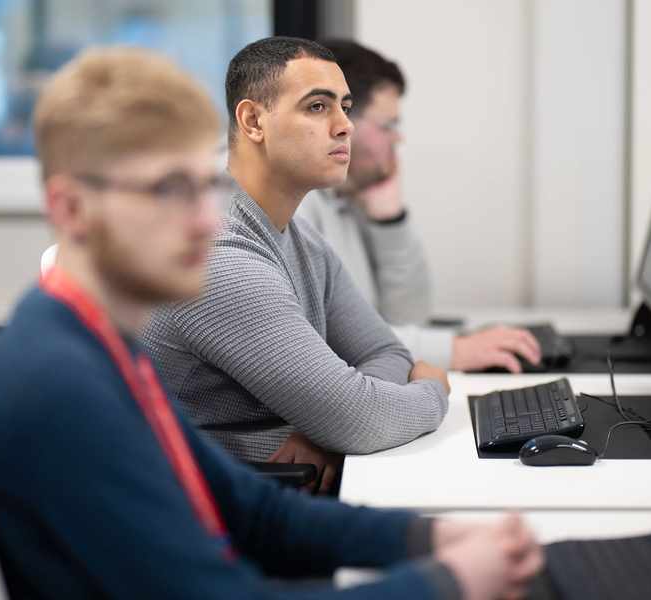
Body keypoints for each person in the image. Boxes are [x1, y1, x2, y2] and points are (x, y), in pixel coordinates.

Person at [0, 46, 543, 599]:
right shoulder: (58, 383)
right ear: (69, 210)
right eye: (168, 190)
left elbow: (254, 511)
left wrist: (430, 539)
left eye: (203, 187)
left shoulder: (104, 344)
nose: (202, 221)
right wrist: (453, 581)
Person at [143, 37, 450, 490]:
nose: (345, 126)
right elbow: (363, 418)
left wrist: (327, 426)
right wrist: (433, 390)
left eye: (345, 107)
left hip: (277, 493)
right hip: (214, 516)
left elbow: (384, 352)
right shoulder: (218, 259)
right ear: (252, 121)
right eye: (318, 107)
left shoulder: (297, 234)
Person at [297, 40, 542, 374]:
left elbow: (408, 316)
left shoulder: (344, 194)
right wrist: (453, 351)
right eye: (388, 126)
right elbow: (319, 344)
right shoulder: (295, 205)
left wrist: (390, 221)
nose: (398, 139)